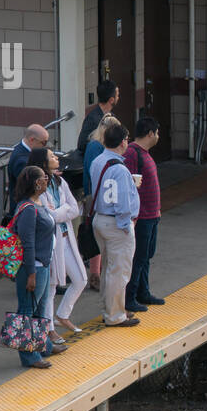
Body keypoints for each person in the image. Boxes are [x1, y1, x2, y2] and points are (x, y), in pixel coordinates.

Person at [9, 166, 61, 368]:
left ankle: (43, 346)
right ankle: (29, 356)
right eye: (44, 178)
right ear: (36, 182)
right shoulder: (28, 209)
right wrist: (30, 273)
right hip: (34, 267)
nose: (47, 180)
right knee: (27, 310)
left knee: (40, 310)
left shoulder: (38, 204)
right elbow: (27, 243)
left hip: (43, 265)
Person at [91, 124, 141, 327]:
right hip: (116, 223)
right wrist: (126, 225)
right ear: (123, 142)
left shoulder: (97, 161)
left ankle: (109, 309)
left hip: (99, 218)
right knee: (119, 271)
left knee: (108, 269)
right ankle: (115, 315)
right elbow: (121, 202)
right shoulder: (120, 169)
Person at [40, 150, 87, 336]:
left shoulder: (60, 181)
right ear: (43, 163)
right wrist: (64, 210)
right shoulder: (41, 185)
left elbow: (75, 208)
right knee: (52, 286)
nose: (57, 158)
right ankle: (50, 329)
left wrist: (61, 211)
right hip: (52, 241)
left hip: (67, 237)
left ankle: (62, 315)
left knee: (81, 279)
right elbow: (49, 216)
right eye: (52, 156)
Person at [123, 117, 164, 312]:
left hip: (152, 214)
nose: (158, 136)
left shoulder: (144, 153)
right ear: (150, 133)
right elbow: (130, 185)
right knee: (138, 257)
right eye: (156, 132)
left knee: (146, 255)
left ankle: (143, 292)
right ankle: (130, 297)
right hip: (142, 216)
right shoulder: (132, 153)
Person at [83, 115, 124, 291]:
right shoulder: (96, 147)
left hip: (97, 194)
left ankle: (97, 274)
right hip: (95, 196)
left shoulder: (95, 145)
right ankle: (95, 275)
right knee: (95, 238)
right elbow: (95, 175)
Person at [6, 124, 49, 216]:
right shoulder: (21, 160)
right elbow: (29, 186)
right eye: (44, 142)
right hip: (25, 210)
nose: (45, 146)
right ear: (32, 140)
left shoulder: (23, 151)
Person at [77, 80, 119, 155]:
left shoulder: (112, 116)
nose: (118, 98)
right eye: (117, 95)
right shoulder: (92, 119)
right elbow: (81, 144)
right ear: (111, 100)